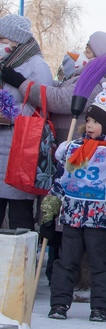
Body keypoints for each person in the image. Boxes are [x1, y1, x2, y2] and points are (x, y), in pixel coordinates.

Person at [40, 85, 106, 322]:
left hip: (100, 221)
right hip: (72, 217)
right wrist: (52, 204)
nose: (90, 125)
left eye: (96, 121)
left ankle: (100, 307)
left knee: (101, 264)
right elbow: (63, 177)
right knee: (66, 262)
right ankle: (59, 304)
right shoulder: (74, 148)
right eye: (89, 120)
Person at [2, 31, 106, 143]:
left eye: (88, 52)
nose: (82, 55)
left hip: (74, 145)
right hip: (65, 141)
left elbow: (60, 99)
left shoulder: (98, 84)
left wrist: (22, 83)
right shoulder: (90, 78)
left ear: (100, 58)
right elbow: (62, 88)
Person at [0, 14, 54, 230]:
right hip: (2, 147)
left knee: (19, 217)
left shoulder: (36, 65)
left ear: (15, 40)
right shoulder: (4, 64)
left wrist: (10, 115)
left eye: (2, 38)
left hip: (21, 151)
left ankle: (20, 263)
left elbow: (43, 104)